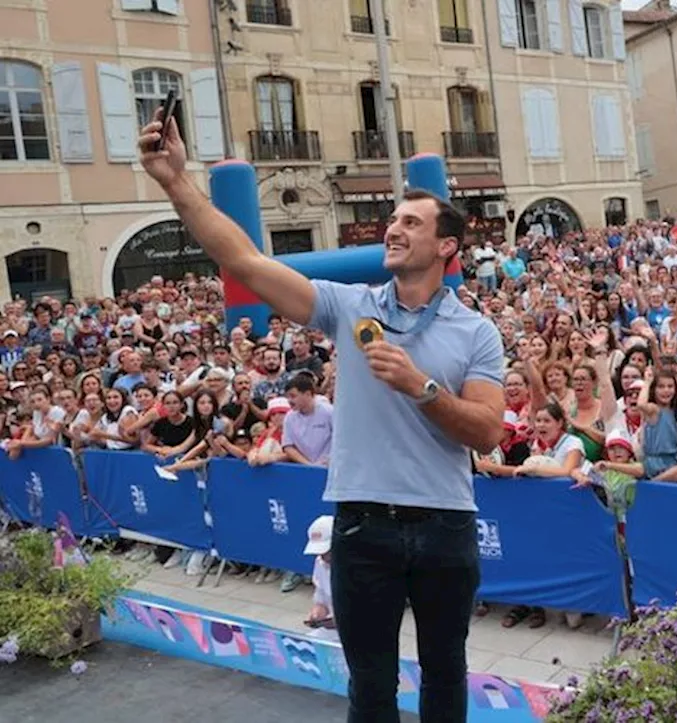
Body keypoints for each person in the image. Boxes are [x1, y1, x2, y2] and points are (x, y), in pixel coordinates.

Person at [137, 110, 505, 723]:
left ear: (446, 246)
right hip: (362, 524)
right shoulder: (347, 306)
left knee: (446, 675)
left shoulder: (477, 331)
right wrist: (176, 182)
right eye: (391, 219)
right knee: (370, 684)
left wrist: (421, 387)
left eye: (410, 222)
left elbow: (488, 430)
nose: (393, 229)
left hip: (446, 524)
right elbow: (248, 264)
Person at [303, 515, 339, 643]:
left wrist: (341, 622)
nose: (322, 556)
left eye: (326, 551)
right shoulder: (320, 563)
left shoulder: (361, 568)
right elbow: (321, 600)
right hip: (332, 632)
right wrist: (318, 613)